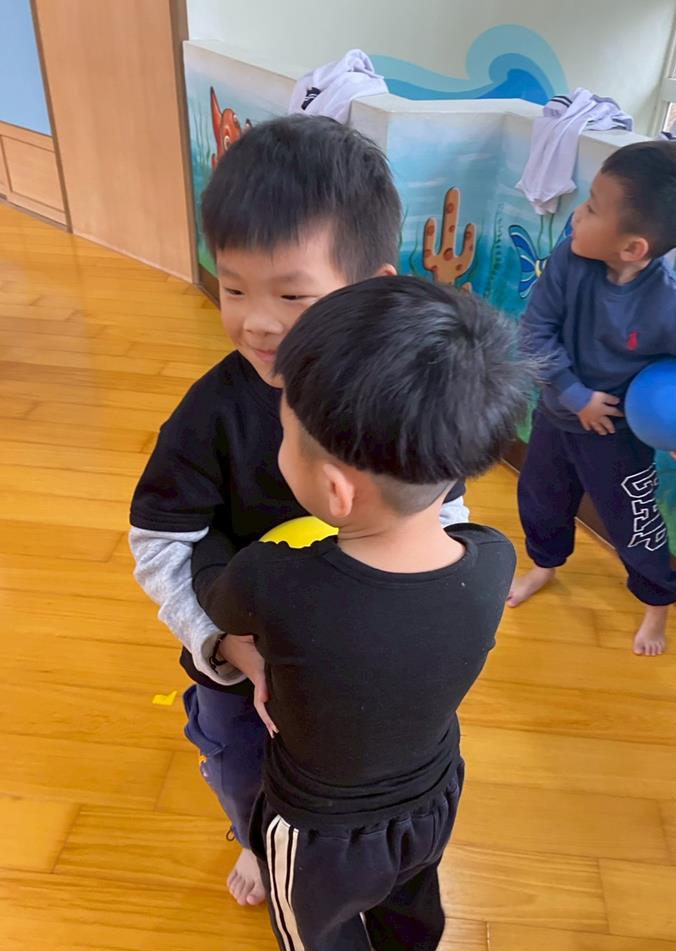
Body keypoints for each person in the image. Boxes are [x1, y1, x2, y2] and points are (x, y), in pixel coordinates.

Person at [128, 116, 469, 907]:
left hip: (357, 660)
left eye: (291, 294)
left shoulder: (404, 394)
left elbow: (444, 516)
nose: (256, 320)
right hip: (240, 651)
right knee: (241, 767)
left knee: (358, 783)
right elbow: (160, 539)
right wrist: (221, 644)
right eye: (233, 287)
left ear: (371, 287)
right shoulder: (211, 412)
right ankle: (256, 839)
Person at [190, 275, 535, 951]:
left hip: (317, 826)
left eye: (285, 437)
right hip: (433, 793)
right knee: (413, 890)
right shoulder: (492, 558)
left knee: (313, 932)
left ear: (337, 492)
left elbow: (217, 595)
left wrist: (215, 539)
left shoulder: (275, 579)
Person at [508, 140, 676, 656]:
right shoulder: (568, 260)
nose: (577, 215)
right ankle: (545, 565)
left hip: (617, 440)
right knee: (540, 499)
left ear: (633, 248)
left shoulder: (673, 308)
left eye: (592, 208)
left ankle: (657, 604)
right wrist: (575, 394)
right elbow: (534, 332)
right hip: (557, 416)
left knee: (635, 526)